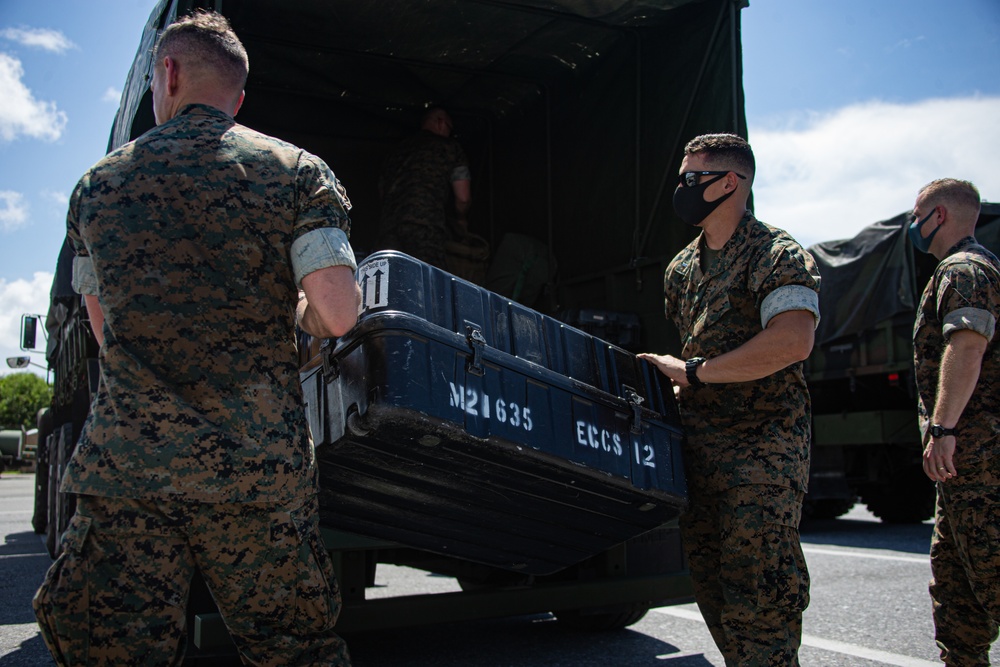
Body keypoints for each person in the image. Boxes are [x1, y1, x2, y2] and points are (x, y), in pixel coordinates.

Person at [32, 11, 359, 666]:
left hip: (130, 476)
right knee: (296, 653)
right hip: (256, 473)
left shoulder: (98, 186)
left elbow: (104, 328)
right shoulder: (297, 171)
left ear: (169, 73)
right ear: (237, 98)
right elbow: (338, 311)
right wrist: (295, 315)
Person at [638, 133, 820, 666]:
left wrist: (693, 374)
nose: (681, 189)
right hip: (700, 454)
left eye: (691, 179)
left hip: (763, 454)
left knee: (760, 595)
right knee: (714, 588)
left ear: (729, 182)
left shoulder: (778, 255)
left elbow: (792, 341)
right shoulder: (680, 269)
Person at [909, 178, 999, 666]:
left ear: (938, 215)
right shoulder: (958, 269)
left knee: (991, 578)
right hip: (966, 470)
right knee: (958, 601)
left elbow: (967, 347)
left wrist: (942, 430)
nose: (912, 225)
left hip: (983, 461)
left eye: (916, 213)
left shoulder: (964, 270)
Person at [378, 106, 472, 266]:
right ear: (441, 123)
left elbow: (381, 189)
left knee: (390, 283)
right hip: (427, 228)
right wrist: (461, 221)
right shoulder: (450, 148)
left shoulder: (397, 150)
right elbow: (463, 197)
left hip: (389, 229)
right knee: (427, 284)